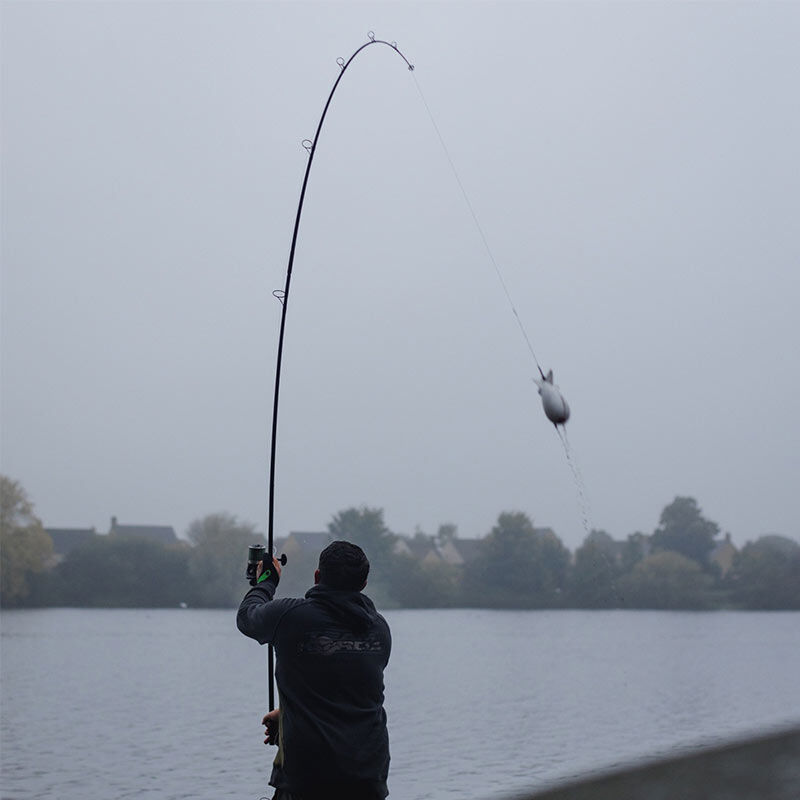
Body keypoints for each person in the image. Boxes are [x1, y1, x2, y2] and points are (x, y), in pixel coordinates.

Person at [237, 540, 391, 800]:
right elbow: (344, 683)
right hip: (368, 780)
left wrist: (267, 582)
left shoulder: (290, 616)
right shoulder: (379, 629)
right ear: (363, 584)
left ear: (317, 576)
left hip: (307, 781)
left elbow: (247, 616)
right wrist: (287, 714)